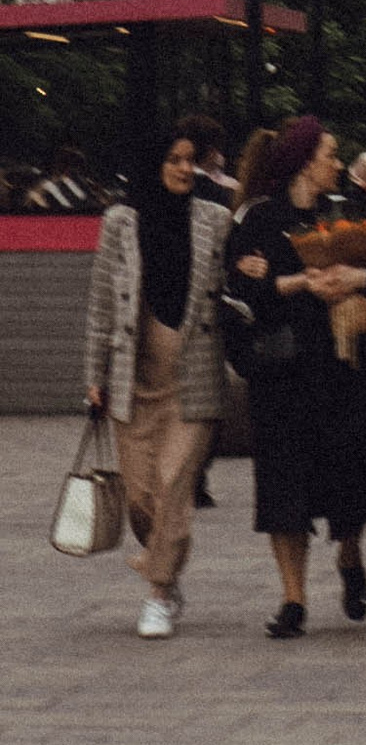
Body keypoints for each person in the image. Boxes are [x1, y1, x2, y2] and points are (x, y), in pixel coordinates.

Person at [218, 119, 366, 639]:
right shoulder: (258, 219)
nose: (338, 164)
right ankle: (293, 598)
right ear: (303, 162)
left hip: (341, 367)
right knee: (282, 486)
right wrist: (302, 282)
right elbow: (240, 292)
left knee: (350, 474)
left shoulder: (342, 213)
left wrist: (355, 283)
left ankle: (349, 554)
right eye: (330, 154)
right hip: (283, 370)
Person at [83, 128, 231, 636]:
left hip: (193, 382)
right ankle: (162, 561)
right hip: (132, 383)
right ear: (154, 164)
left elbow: (233, 286)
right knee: (142, 499)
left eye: (191, 160)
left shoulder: (215, 220)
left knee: (173, 487)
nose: (184, 169)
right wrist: (94, 376)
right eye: (173, 159)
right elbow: (103, 303)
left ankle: (159, 592)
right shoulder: (121, 222)